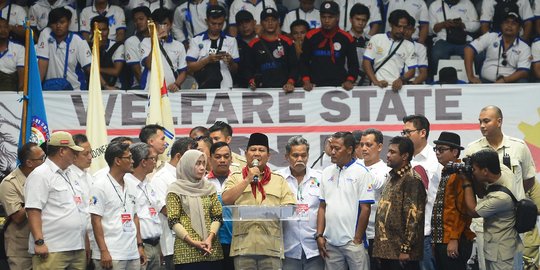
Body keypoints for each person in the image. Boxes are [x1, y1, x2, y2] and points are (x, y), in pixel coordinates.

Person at [464, 105, 537, 269]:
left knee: (515, 265)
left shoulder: (518, 147)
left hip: (513, 222)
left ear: (499, 121)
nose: (482, 125)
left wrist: (509, 199)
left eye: (486, 121)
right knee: (485, 265)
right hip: (484, 221)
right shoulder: (472, 149)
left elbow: (528, 179)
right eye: (480, 121)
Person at [222, 133, 295, 269]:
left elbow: (290, 209)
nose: (256, 154)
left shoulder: (279, 180)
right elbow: (226, 200)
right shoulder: (236, 178)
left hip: (271, 247)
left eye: (261, 150)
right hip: (243, 247)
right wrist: (247, 180)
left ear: (268, 156)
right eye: (253, 150)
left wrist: (270, 211)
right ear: (246, 154)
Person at [24, 131, 87, 270]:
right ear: (62, 151)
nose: (75, 154)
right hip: (52, 249)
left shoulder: (71, 173)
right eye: (72, 151)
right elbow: (33, 210)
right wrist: (39, 242)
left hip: (77, 246)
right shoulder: (40, 174)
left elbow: (80, 208)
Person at [315, 131, 374, 269]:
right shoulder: (326, 172)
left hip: (353, 243)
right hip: (331, 243)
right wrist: (319, 235)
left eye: (337, 148)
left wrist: (358, 238)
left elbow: (366, 208)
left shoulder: (362, 173)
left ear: (349, 150)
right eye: (332, 147)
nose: (332, 152)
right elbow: (322, 206)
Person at [461, 149, 522, 270]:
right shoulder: (504, 170)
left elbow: (472, 211)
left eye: (474, 169)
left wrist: (467, 182)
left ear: (485, 171)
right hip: (500, 248)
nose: (472, 172)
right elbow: (483, 192)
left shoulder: (501, 198)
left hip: (502, 255)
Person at [89, 142, 147, 270]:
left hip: (132, 253)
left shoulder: (131, 184)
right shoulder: (100, 185)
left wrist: (140, 246)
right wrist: (104, 251)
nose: (133, 161)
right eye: (129, 158)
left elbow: (135, 217)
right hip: (111, 253)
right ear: (117, 161)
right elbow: (95, 220)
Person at [373, 136, 426, 270]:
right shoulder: (392, 176)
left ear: (405, 156)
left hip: (401, 253)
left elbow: (414, 218)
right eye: (388, 151)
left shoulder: (412, 180)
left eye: (392, 152)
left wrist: (406, 249)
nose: (388, 155)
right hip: (387, 251)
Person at [167, 149, 224, 269]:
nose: (202, 167)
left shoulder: (209, 188)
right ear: (188, 165)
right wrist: (193, 242)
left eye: (204, 163)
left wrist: (209, 238)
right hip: (186, 252)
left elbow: (217, 216)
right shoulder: (175, 189)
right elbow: (173, 220)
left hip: (211, 250)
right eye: (197, 163)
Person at [277, 136, 324, 270]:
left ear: (308, 156)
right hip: (288, 248)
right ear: (287, 157)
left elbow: (324, 209)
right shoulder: (278, 178)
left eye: (303, 155)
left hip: (315, 248)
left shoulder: (320, 177)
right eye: (295, 155)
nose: (300, 159)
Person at [402, 114, 442, 270]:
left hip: (427, 232)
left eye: (408, 132)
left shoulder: (435, 159)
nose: (405, 136)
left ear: (423, 133)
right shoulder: (403, 158)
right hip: (405, 232)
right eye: (403, 132)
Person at [431, 132, 475, 270]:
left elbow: (462, 210)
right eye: (436, 149)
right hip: (442, 238)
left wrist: (454, 239)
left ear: (455, 151)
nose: (437, 153)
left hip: (453, 239)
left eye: (441, 149)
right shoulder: (447, 171)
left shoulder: (460, 173)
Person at [152, 137, 197, 270]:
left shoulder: (193, 177)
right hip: (173, 245)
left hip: (195, 244)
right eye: (192, 158)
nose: (196, 163)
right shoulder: (161, 178)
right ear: (179, 156)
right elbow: (168, 211)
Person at [0, 143, 45, 270]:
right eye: (41, 159)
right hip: (21, 248)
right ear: (29, 163)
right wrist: (36, 199)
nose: (45, 162)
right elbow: (18, 217)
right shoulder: (9, 183)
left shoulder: (45, 178)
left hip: (44, 243)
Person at [299, 1, 359, 91]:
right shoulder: (310, 36)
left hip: (340, 86)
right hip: (314, 87)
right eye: (323, 17)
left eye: (330, 17)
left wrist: (350, 80)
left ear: (338, 17)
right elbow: (303, 62)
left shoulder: (347, 38)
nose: (326, 21)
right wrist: (306, 81)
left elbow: (354, 64)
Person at [124, 143, 163, 270]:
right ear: (143, 162)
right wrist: (139, 245)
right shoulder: (126, 185)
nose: (155, 162)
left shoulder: (148, 183)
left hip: (155, 244)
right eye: (152, 158)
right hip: (139, 246)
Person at [464, 12, 531, 84]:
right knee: (472, 84)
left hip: (510, 83)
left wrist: (505, 80)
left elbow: (524, 72)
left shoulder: (524, 47)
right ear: (501, 25)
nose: (509, 25)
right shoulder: (491, 36)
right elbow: (468, 49)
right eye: (506, 22)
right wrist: (470, 76)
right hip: (486, 82)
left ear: (519, 29)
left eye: (514, 23)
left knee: (523, 82)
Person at [37, 8, 91, 90]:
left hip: (75, 89)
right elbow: (42, 62)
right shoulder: (46, 33)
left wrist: (105, 85)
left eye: (62, 22)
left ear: (69, 23)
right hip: (51, 88)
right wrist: (37, 88)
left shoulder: (78, 40)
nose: (58, 26)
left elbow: (90, 67)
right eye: (54, 23)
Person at [186, 5, 239, 90]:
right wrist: (207, 60)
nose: (217, 27)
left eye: (220, 24)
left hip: (225, 86)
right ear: (206, 21)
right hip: (201, 86)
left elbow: (235, 70)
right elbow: (190, 67)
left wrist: (231, 62)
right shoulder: (196, 40)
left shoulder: (231, 40)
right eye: (213, 23)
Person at [358, 128, 390, 270]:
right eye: (362, 145)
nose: (364, 149)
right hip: (353, 233)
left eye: (369, 145)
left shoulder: (386, 169)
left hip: (374, 235)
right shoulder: (355, 166)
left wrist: (356, 166)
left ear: (380, 147)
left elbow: (377, 184)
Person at [363, 9, 416, 91]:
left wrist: (401, 80)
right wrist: (376, 82)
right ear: (391, 24)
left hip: (398, 88)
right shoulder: (377, 39)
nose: (402, 30)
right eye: (398, 26)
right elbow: (366, 62)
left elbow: (412, 70)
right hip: (376, 88)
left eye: (404, 27)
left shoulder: (409, 45)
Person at [246, 7, 297, 92]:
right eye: (266, 20)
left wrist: (290, 82)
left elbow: (294, 66)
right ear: (261, 22)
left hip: (285, 89)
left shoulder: (287, 42)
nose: (270, 23)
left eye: (273, 20)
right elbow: (247, 68)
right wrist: (251, 81)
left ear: (278, 22)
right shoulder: (253, 44)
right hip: (261, 90)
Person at [207, 141, 238, 270]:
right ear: (210, 159)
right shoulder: (203, 183)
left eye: (226, 156)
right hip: (211, 243)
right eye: (218, 157)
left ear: (231, 159)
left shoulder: (238, 181)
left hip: (236, 242)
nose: (222, 160)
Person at [140, 8, 187, 92]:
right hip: (149, 90)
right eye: (158, 25)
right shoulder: (145, 42)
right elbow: (149, 65)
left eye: (165, 24)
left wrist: (176, 84)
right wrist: (156, 42)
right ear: (153, 25)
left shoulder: (179, 46)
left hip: (171, 91)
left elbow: (183, 71)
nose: (162, 28)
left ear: (171, 24)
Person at [428, 0, 479, 76]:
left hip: (464, 40)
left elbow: (477, 25)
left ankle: (473, 79)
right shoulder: (434, 5)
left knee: (478, 55)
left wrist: (463, 25)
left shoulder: (467, 3)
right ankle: (437, 79)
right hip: (443, 40)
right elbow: (430, 30)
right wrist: (443, 24)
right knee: (437, 54)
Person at [70, 134, 94, 269]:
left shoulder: (89, 176)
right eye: (85, 154)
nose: (90, 157)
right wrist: (85, 241)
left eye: (90, 152)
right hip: (78, 242)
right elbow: (79, 213)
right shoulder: (69, 177)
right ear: (74, 156)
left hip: (93, 239)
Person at [91, 15, 126, 90]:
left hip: (114, 87)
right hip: (92, 88)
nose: (102, 33)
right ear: (92, 31)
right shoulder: (86, 46)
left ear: (108, 30)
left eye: (104, 29)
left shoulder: (117, 46)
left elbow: (116, 71)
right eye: (98, 30)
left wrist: (94, 69)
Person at [124, 6, 151, 89]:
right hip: (141, 87)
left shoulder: (159, 38)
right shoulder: (131, 41)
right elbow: (137, 72)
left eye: (141, 19)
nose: (138, 22)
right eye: (135, 20)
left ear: (149, 19)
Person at [348, 4, 370, 86]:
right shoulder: (342, 38)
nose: (360, 23)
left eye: (364, 20)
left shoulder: (372, 41)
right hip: (345, 83)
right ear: (350, 19)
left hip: (367, 85)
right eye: (357, 19)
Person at [233, 10, 257, 88]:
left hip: (262, 85)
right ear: (236, 27)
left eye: (247, 22)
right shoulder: (232, 43)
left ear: (254, 23)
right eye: (240, 23)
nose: (244, 26)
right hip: (239, 86)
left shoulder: (262, 41)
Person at [0, 17, 24, 92]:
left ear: (9, 29)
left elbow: (22, 79)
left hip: (9, 92)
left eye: (6, 27)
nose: (3, 30)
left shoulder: (19, 48)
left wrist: (19, 98)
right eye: (0, 27)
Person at [403, 16, 428, 85]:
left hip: (414, 82)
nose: (406, 32)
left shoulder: (420, 47)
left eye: (409, 29)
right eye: (405, 29)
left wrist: (412, 86)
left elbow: (423, 74)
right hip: (395, 82)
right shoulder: (392, 45)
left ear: (414, 30)